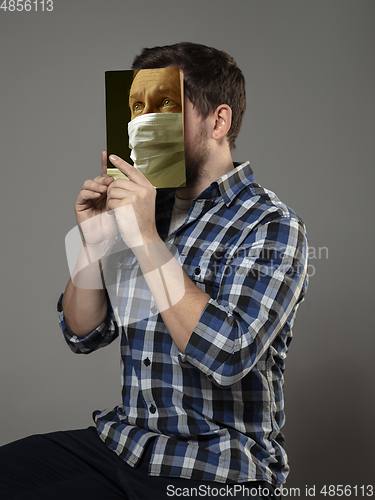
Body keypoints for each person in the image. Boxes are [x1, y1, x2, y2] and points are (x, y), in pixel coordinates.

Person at [0, 42, 308, 500]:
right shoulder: (146, 208)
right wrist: (95, 242)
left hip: (218, 468)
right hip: (125, 444)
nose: (143, 124)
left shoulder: (272, 226)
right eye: (136, 108)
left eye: (165, 106)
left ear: (218, 122)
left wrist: (146, 239)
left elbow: (225, 354)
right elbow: (82, 332)